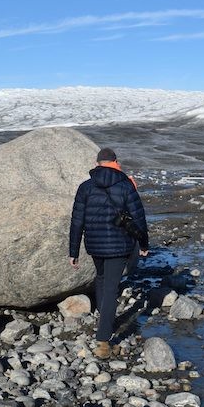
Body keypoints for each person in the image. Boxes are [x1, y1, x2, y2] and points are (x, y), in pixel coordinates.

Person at [69, 148, 149, 358]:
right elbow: (138, 218)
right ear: (115, 162)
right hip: (119, 245)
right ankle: (103, 342)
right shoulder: (125, 186)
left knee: (102, 279)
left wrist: (73, 251)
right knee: (111, 288)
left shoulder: (85, 187)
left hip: (95, 245)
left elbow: (77, 221)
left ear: (97, 163)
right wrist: (143, 243)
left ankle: (104, 318)